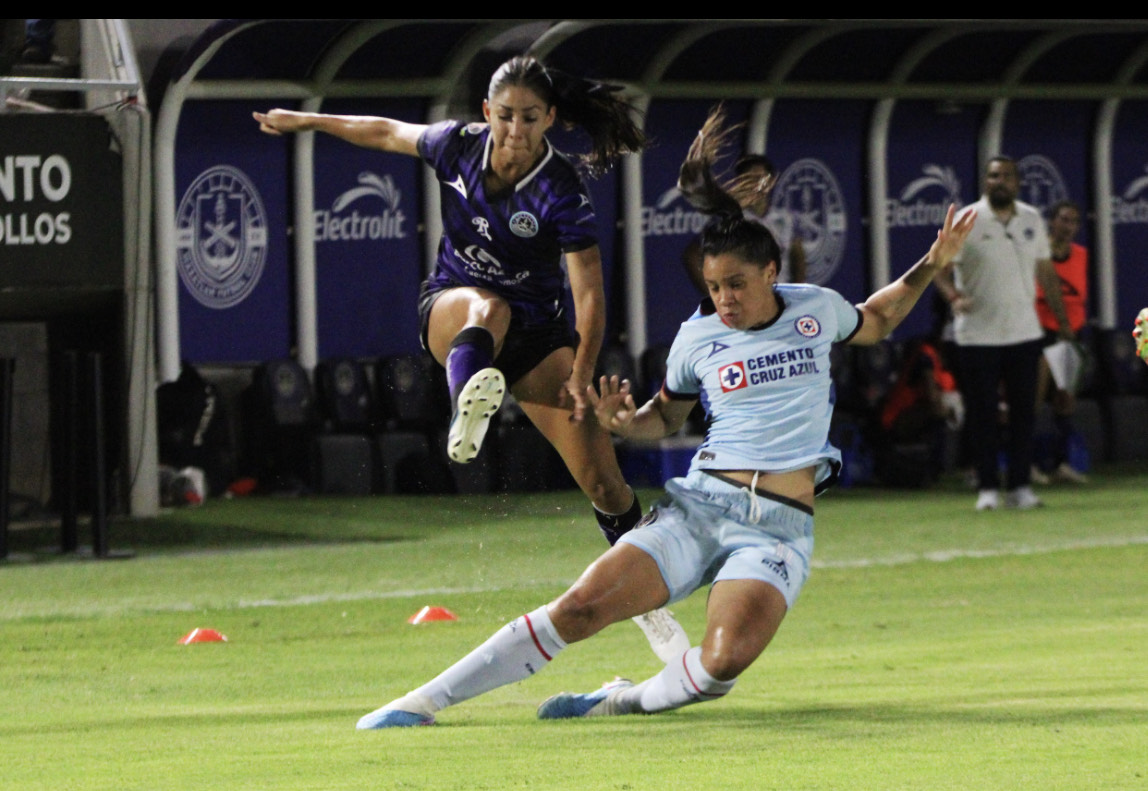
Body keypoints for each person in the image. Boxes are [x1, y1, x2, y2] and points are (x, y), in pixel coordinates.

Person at [353, 107, 975, 729]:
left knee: (719, 667)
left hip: (779, 531)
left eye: (736, 284)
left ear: (770, 272)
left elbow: (881, 316)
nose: (724, 299)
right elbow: (663, 418)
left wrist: (933, 261)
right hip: (700, 507)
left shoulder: (816, 310)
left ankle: (617, 699)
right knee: (578, 609)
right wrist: (623, 423)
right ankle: (423, 701)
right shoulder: (696, 338)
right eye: (713, 286)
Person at [254, 55, 688, 661]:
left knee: (607, 485)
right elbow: (382, 130)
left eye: (529, 118)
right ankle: (469, 402)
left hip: (539, 337)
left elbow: (589, 293)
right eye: (505, 116)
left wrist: (583, 371)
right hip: (453, 314)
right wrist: (309, 121)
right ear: (487, 113)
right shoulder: (456, 145)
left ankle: (648, 602)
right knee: (489, 307)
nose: (515, 131)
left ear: (550, 119)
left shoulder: (560, 188)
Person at [933, 156, 1073, 511]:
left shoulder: (1030, 218)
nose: (1001, 182)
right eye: (994, 176)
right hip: (977, 335)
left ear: (1018, 183)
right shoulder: (968, 220)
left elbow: (1046, 272)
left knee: (1025, 413)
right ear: (985, 182)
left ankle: (1020, 487)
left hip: (1024, 332)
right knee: (983, 415)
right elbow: (936, 265)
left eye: (1007, 177)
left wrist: (1063, 321)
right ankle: (987, 488)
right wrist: (953, 295)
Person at [682, 152, 806, 295]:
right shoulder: (729, 218)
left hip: (781, 300)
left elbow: (798, 255)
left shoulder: (786, 218)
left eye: (761, 178)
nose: (755, 184)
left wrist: (799, 293)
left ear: (771, 181)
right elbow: (692, 255)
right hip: (746, 305)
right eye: (749, 179)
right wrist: (715, 297)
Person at [1032, 200, 1089, 485]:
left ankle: (1062, 464)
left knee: (1065, 401)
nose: (1068, 226)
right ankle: (1028, 464)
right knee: (1034, 398)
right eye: (1063, 220)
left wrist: (1072, 327)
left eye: (1073, 221)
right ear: (1052, 222)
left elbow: (1079, 294)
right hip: (1042, 330)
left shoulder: (1081, 256)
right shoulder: (1037, 254)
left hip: (1071, 333)